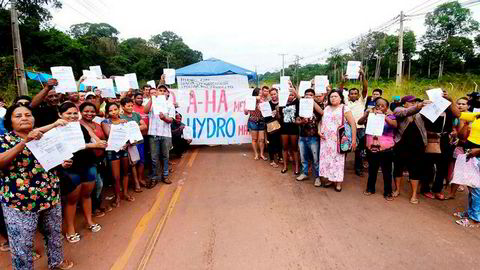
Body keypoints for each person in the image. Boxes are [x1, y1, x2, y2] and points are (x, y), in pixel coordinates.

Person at [0, 104, 74, 269]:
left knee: (54, 233)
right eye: (18, 116)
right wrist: (25, 142)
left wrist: (63, 163)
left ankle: (56, 262)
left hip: (50, 195)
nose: (24, 118)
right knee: (22, 242)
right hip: (20, 202)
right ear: (9, 121)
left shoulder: (43, 137)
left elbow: (51, 161)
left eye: (28, 114)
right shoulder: (4, 140)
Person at [58, 102, 106, 243]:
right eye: (68, 113)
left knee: (87, 195)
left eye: (74, 113)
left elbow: (94, 138)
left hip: (88, 164)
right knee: (72, 200)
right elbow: (70, 146)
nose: (72, 116)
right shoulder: (56, 130)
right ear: (60, 115)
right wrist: (94, 145)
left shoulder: (81, 126)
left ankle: (89, 221)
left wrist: (100, 143)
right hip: (71, 168)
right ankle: (70, 229)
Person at [420, 90, 460, 200]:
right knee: (428, 165)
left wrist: (450, 100)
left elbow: (458, 114)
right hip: (430, 139)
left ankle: (437, 190)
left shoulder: (449, 109)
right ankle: (425, 188)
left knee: (443, 165)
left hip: (444, 140)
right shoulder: (428, 108)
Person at [393, 96, 430, 204]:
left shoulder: (421, 112)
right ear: (404, 103)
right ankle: (397, 190)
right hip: (401, 144)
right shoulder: (398, 109)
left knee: (415, 169)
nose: (414, 103)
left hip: (417, 146)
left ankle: (414, 194)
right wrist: (418, 106)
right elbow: (405, 113)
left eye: (415, 102)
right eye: (411, 102)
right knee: (398, 168)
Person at [358, 98, 397, 200]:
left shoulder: (390, 116)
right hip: (372, 147)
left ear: (387, 108)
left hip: (386, 149)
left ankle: (387, 192)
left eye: (383, 106)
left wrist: (383, 117)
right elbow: (360, 121)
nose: (380, 107)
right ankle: (370, 188)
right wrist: (366, 114)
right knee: (372, 169)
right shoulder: (371, 116)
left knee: (387, 171)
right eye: (378, 105)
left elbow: (394, 125)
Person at [319, 90, 357, 192]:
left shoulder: (345, 108)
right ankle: (331, 179)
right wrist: (319, 131)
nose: (333, 98)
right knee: (328, 160)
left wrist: (353, 140)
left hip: (339, 140)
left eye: (335, 96)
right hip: (326, 140)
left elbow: (353, 124)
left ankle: (338, 182)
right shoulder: (326, 108)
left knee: (338, 161)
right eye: (331, 96)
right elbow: (321, 122)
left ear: (340, 98)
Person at [79, 102, 112, 218]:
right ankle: (93, 208)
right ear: (81, 112)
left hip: (101, 157)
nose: (89, 113)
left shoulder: (97, 124)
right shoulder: (79, 125)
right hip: (88, 159)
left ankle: (97, 205)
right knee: (95, 184)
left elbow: (104, 138)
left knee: (100, 183)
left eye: (92, 111)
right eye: (86, 111)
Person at [102, 102, 135, 207]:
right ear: (107, 112)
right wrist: (119, 122)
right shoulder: (105, 122)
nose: (113, 112)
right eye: (110, 110)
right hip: (112, 150)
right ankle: (117, 197)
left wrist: (128, 142)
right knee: (115, 176)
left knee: (125, 172)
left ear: (118, 109)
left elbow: (129, 135)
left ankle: (125, 193)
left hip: (123, 149)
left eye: (115, 109)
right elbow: (109, 134)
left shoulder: (124, 121)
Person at [144, 85, 175, 188]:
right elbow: (145, 111)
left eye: (164, 91)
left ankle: (165, 175)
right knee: (154, 158)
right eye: (159, 90)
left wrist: (164, 118)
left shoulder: (170, 105)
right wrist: (153, 99)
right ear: (156, 91)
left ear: (167, 93)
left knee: (165, 156)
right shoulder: (153, 103)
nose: (161, 92)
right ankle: (154, 178)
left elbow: (171, 120)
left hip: (166, 134)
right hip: (153, 134)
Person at [453, 110, 480, 227]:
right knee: (472, 186)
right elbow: (458, 114)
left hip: (477, 155)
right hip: (473, 156)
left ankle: (475, 219)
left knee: (477, 189)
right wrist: (449, 100)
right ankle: (470, 213)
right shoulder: (476, 116)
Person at [295, 89, 323, 186]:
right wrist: (302, 122)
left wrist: (312, 102)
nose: (308, 96)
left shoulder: (318, 107)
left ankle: (317, 177)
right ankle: (305, 173)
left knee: (316, 159)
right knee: (303, 157)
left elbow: (323, 113)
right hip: (302, 137)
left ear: (314, 97)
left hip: (314, 138)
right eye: (306, 95)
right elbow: (296, 120)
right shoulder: (301, 107)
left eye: (311, 95)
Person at [120, 97, 148, 191]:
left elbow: (144, 126)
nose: (131, 107)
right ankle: (136, 183)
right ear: (123, 107)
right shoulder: (121, 117)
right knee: (133, 163)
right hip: (130, 144)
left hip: (139, 141)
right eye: (128, 106)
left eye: (132, 105)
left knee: (142, 161)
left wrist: (133, 128)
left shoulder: (136, 114)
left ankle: (140, 178)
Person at [344, 69, 368, 176]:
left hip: (360, 128)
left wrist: (363, 75)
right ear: (348, 95)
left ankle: (358, 169)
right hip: (348, 128)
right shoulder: (346, 101)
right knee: (344, 148)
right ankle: (341, 168)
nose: (353, 95)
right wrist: (344, 81)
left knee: (359, 150)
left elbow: (365, 88)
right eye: (351, 93)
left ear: (358, 95)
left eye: (355, 93)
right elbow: (340, 90)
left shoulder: (361, 100)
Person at [278, 89, 300, 174]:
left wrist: (293, 89)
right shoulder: (282, 104)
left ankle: (297, 167)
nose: (289, 96)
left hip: (294, 128)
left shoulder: (297, 103)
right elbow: (280, 117)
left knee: (295, 148)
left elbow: (300, 98)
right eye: (288, 95)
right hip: (284, 128)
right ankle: (285, 166)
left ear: (294, 96)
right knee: (284, 148)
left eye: (291, 95)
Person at [245, 88, 267, 160]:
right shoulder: (250, 101)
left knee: (262, 139)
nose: (261, 94)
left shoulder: (263, 101)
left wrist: (262, 108)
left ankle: (262, 154)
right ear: (255, 94)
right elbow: (246, 113)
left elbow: (266, 112)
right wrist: (246, 109)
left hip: (261, 121)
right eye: (259, 93)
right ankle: (256, 154)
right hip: (253, 121)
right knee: (254, 139)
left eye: (261, 93)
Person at [264, 88, 282, 168]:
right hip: (271, 126)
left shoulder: (282, 103)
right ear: (270, 95)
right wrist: (271, 114)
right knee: (271, 143)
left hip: (281, 125)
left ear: (277, 94)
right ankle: (272, 160)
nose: (273, 96)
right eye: (271, 94)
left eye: (275, 94)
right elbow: (265, 117)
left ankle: (280, 157)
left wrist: (278, 111)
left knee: (280, 142)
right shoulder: (267, 104)